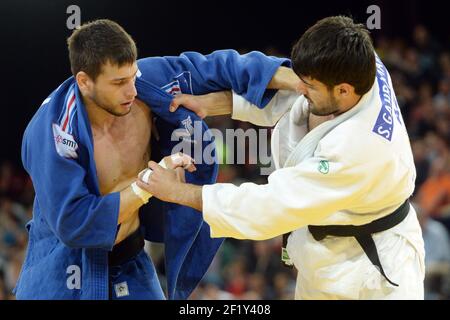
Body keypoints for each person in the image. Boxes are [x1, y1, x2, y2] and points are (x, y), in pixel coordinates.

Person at [138, 16, 426, 299]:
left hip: (376, 274)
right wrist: (211, 103)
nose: (300, 87)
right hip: (328, 256)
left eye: (310, 86)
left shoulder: (358, 149)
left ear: (344, 90)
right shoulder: (361, 64)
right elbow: (298, 97)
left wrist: (179, 192)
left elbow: (269, 206)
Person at [15, 19, 294, 299]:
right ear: (85, 82)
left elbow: (221, 67)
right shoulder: (53, 130)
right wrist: (146, 185)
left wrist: (297, 79)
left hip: (131, 260)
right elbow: (75, 224)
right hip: (65, 268)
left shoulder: (147, 82)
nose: (132, 91)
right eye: (119, 83)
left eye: (132, 76)